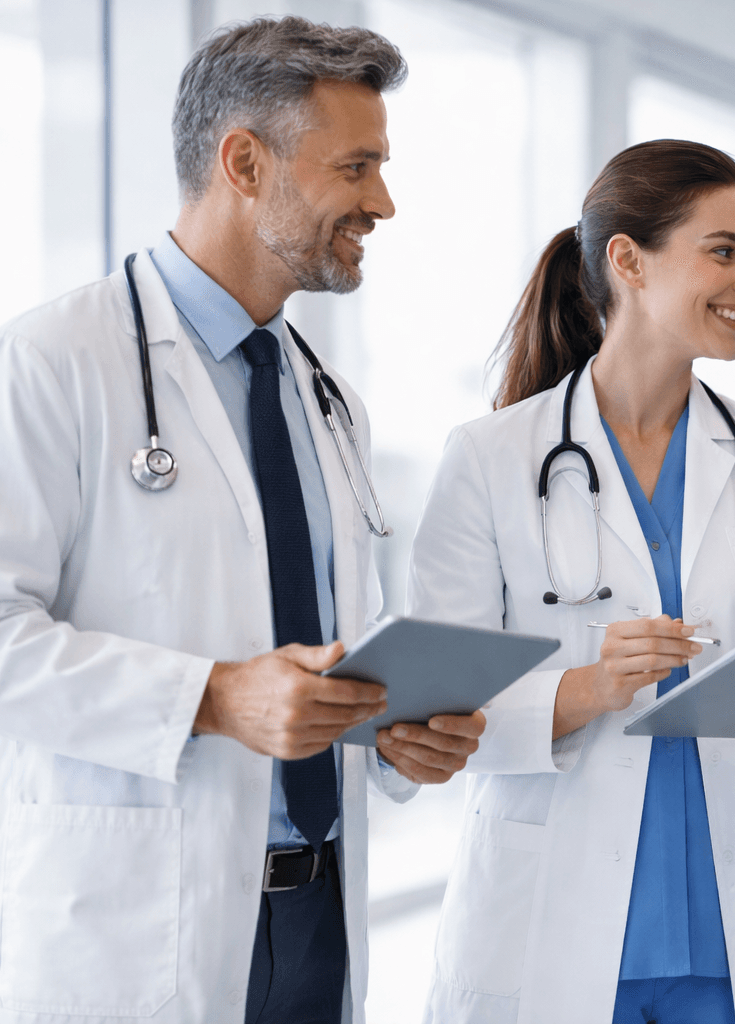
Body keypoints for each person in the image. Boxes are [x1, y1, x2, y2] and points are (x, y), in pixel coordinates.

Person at [0, 18, 485, 1023]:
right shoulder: (50, 362)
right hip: (138, 920)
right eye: (356, 167)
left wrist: (397, 735)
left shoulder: (325, 398)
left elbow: (321, 651)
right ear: (245, 162)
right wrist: (214, 698)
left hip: (319, 915)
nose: (382, 203)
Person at [407, 139, 735, 1024]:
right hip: (549, 919)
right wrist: (587, 688)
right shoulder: (490, 457)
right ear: (627, 260)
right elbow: (430, 714)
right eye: (724, 251)